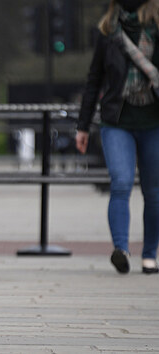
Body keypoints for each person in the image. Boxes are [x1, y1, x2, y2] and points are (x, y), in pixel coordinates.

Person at [76, 0, 159, 274]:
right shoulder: (108, 31)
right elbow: (94, 79)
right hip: (117, 121)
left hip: (153, 121)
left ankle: (149, 255)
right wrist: (83, 125)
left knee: (154, 192)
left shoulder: (157, 27)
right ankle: (120, 249)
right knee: (121, 183)